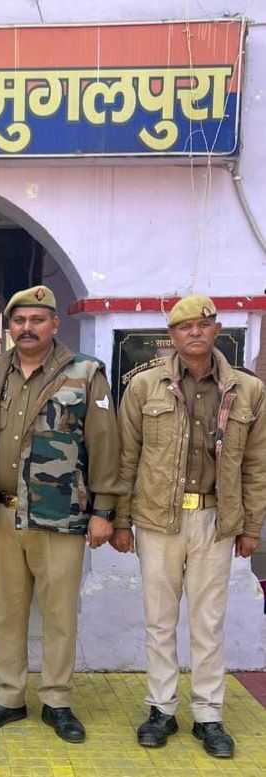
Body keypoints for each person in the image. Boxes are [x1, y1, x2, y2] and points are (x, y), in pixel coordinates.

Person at [112, 294, 265, 759]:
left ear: (217, 330)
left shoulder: (247, 390)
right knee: (159, 620)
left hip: (216, 521)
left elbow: (256, 465)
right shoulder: (144, 386)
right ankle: (161, 709)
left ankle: (208, 714)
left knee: (208, 622)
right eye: (184, 326)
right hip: (158, 520)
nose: (194, 332)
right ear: (172, 336)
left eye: (203, 324)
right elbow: (126, 457)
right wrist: (121, 521)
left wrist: (251, 527)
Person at [0, 285, 123, 742]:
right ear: (9, 327)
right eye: (19, 320)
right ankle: (9, 696)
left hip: (60, 515)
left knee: (58, 614)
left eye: (37, 319)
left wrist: (104, 510)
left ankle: (57, 699)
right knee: (3, 611)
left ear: (55, 324)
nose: (27, 327)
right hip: (1, 514)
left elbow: (105, 443)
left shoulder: (85, 373)